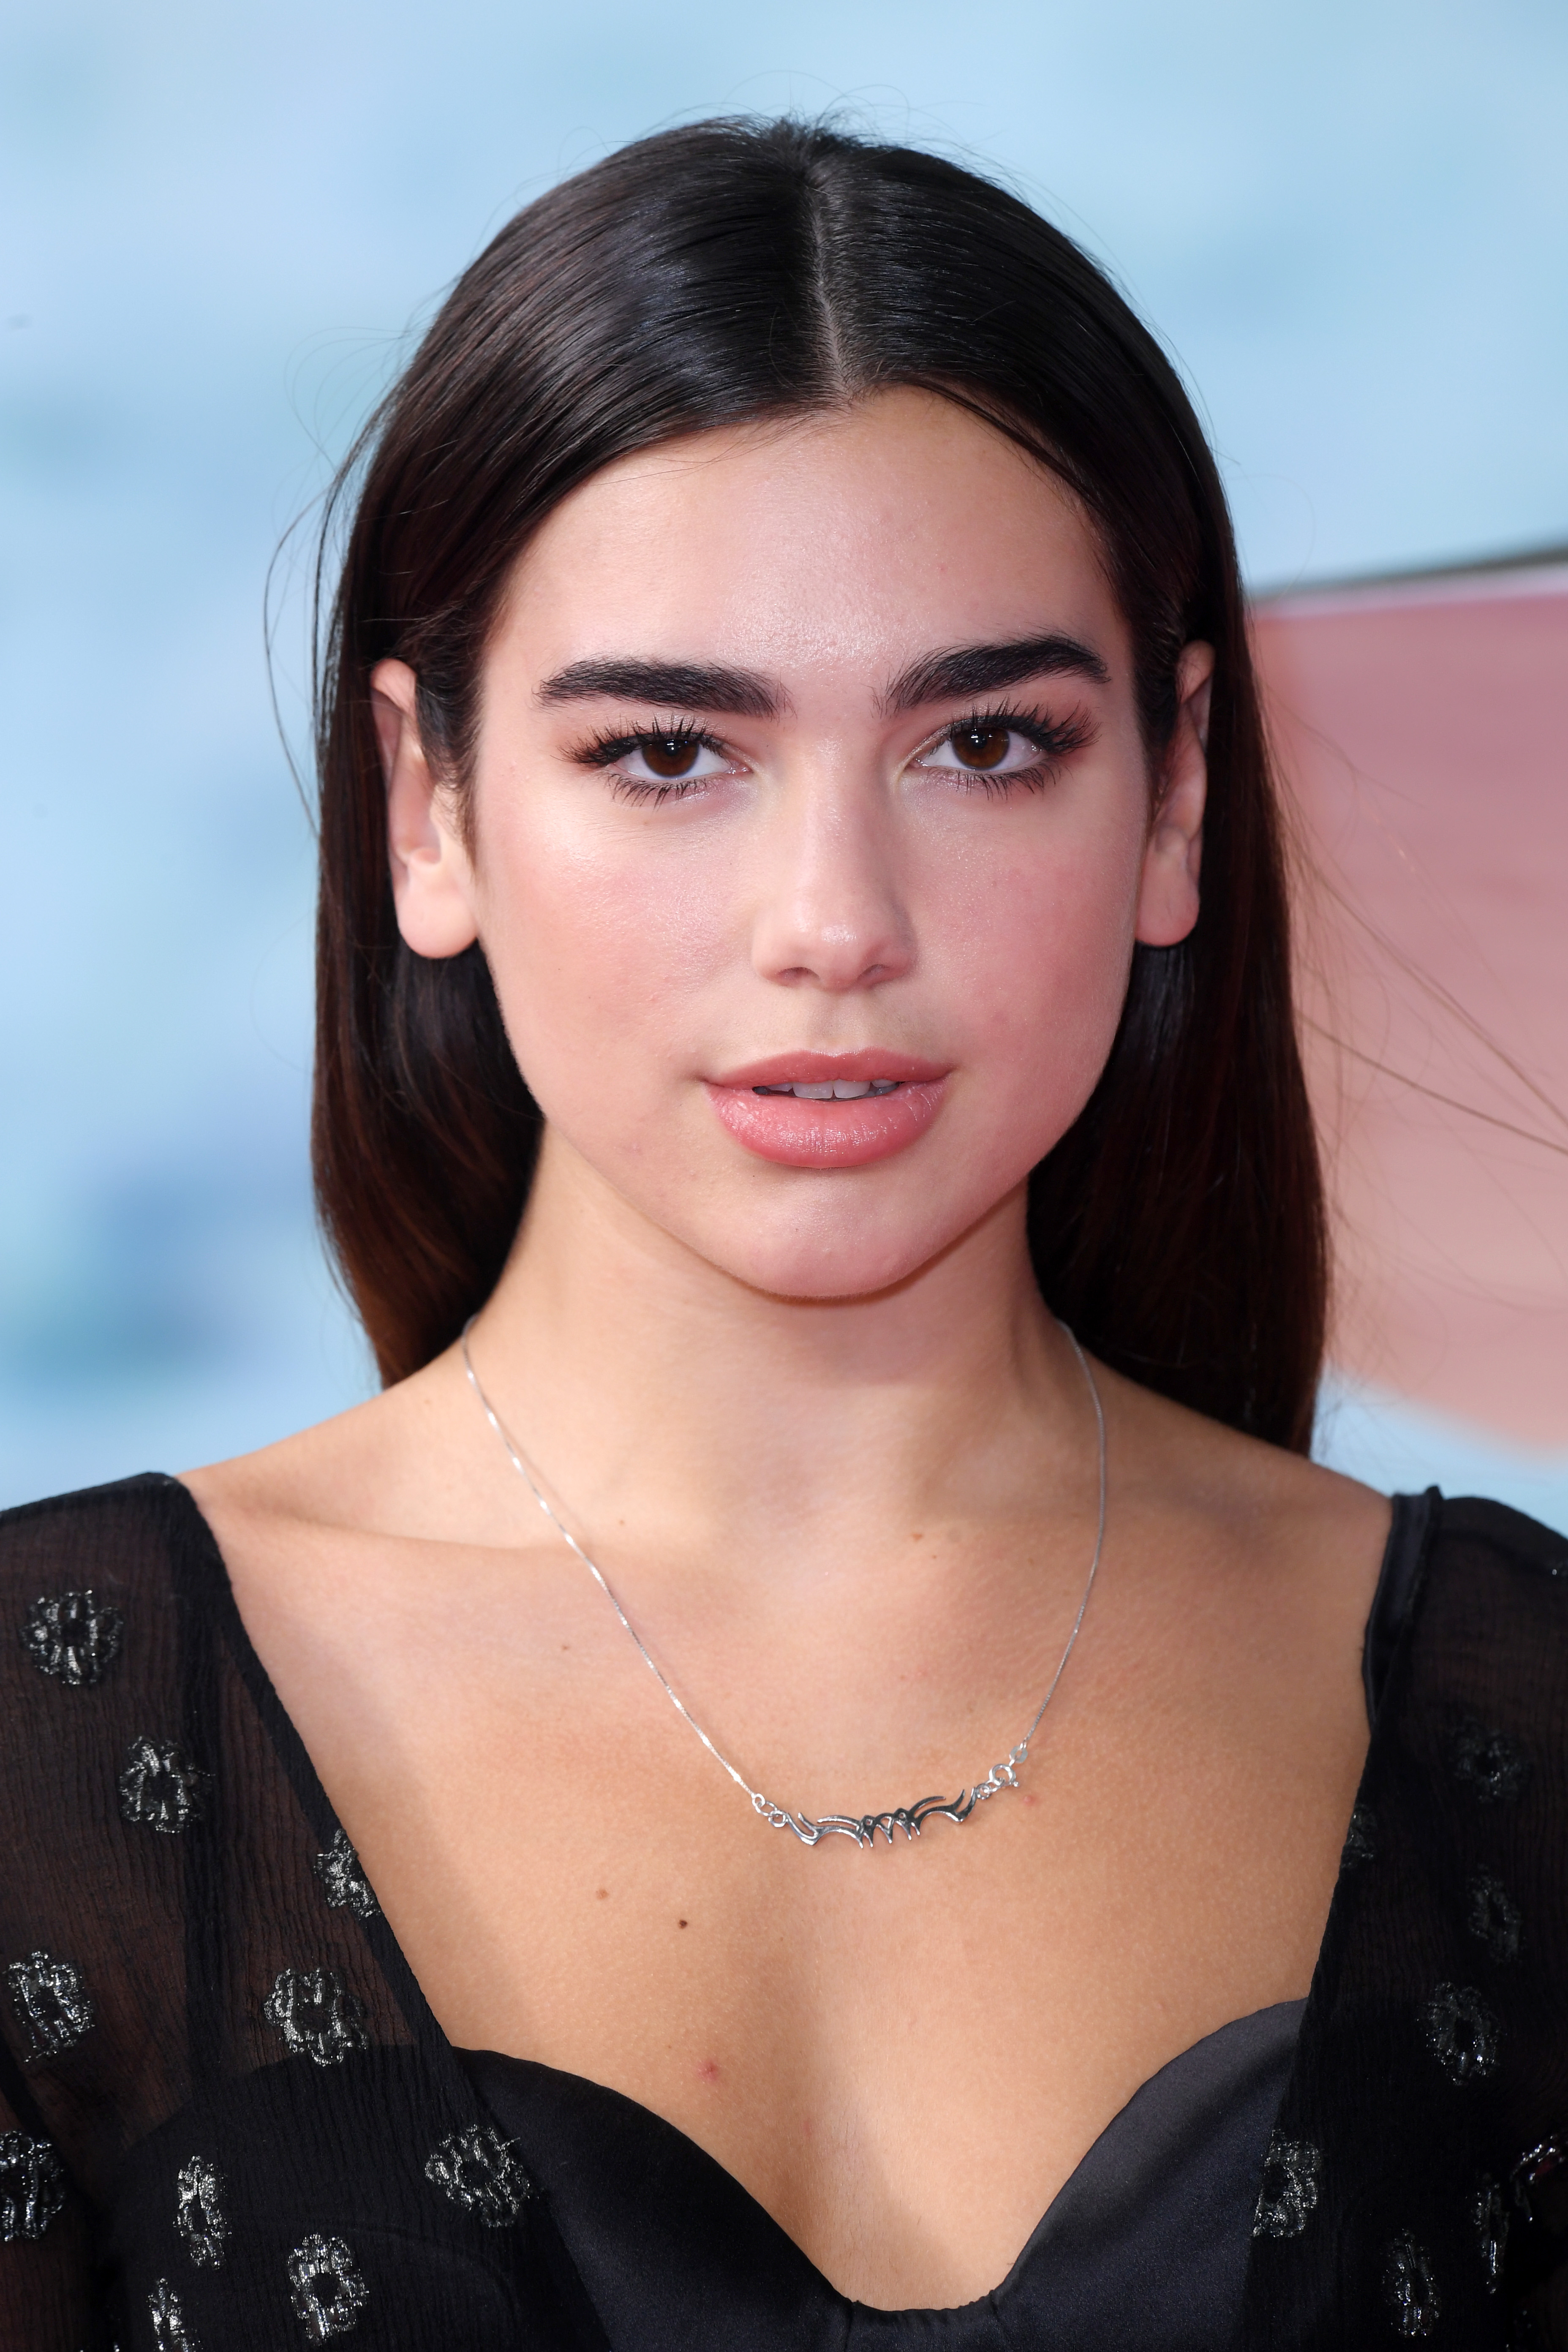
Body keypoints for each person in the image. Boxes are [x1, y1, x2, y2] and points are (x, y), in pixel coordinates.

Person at [2, 117, 1563, 2352]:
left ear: (1177, 792)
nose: (835, 923)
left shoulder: (1521, 1716)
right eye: (667, 755)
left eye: (988, 746)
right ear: (428, 806)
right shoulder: (45, 1737)